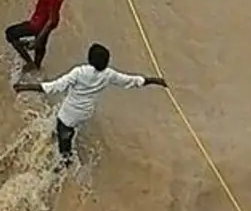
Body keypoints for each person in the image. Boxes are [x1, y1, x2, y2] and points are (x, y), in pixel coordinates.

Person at [14, 43, 168, 166]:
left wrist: (25, 87)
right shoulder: (108, 74)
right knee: (70, 129)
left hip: (70, 112)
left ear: (89, 59)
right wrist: (155, 80)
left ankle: (64, 161)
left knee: (64, 134)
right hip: (86, 112)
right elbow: (131, 80)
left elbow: (53, 87)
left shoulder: (79, 72)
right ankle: (67, 146)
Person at [4, 0, 65, 71]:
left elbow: (51, 21)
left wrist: (37, 41)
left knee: (10, 34)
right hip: (45, 21)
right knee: (41, 46)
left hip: (38, 23)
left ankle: (29, 62)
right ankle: (37, 65)